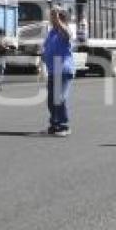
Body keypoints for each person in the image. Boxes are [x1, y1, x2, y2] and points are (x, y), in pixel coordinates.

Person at [41, 7, 74, 136]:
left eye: (54, 17)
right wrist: (44, 56)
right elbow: (47, 47)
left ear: (61, 19)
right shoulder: (52, 32)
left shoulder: (64, 30)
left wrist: (58, 21)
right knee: (51, 100)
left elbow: (68, 35)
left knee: (59, 98)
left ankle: (64, 126)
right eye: (51, 17)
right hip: (52, 69)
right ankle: (54, 125)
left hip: (62, 69)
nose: (51, 19)